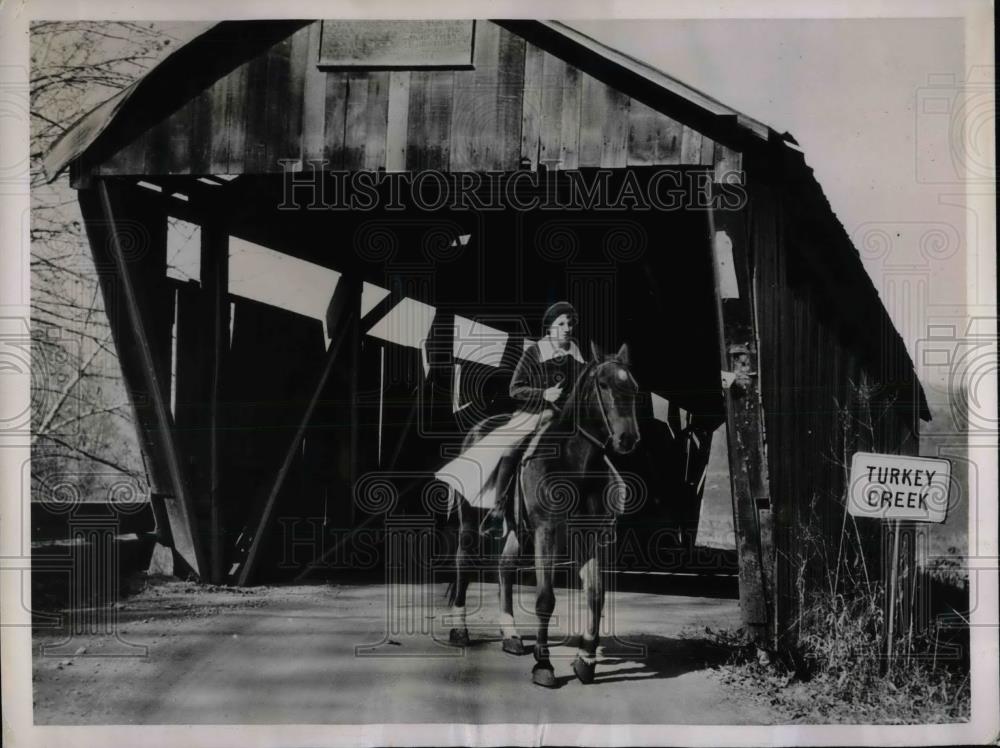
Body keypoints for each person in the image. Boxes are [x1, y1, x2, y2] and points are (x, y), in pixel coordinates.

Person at [435, 302, 586, 537]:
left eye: (570, 323)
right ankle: (498, 509)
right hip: (533, 413)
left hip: (565, 417)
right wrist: (543, 394)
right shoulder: (535, 352)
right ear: (550, 328)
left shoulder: (576, 353)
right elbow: (515, 389)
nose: (567, 328)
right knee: (510, 445)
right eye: (561, 324)